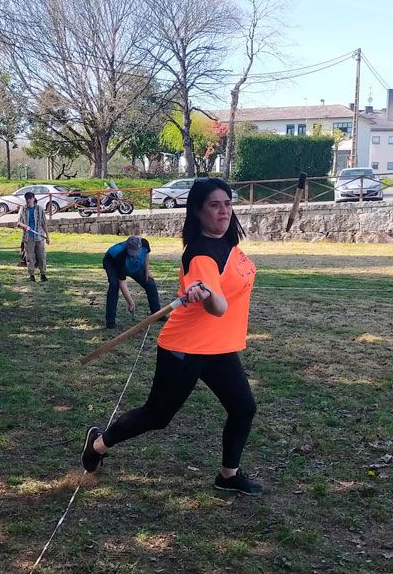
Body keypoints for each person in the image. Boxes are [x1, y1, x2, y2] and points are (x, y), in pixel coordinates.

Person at [80, 178, 263, 496]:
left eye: (227, 204)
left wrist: (209, 294)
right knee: (157, 416)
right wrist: (207, 294)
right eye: (214, 205)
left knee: (243, 408)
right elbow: (218, 307)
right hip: (185, 347)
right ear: (197, 211)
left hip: (217, 347)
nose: (223, 211)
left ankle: (228, 476)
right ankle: (97, 444)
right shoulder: (201, 254)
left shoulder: (227, 242)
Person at [102, 235, 160, 329]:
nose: (134, 256)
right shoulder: (120, 256)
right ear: (127, 247)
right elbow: (122, 283)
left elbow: (146, 254)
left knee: (150, 283)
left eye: (136, 253)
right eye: (132, 253)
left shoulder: (144, 243)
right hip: (111, 262)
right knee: (114, 286)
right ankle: (110, 321)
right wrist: (131, 303)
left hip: (131, 265)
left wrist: (147, 271)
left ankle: (157, 313)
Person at [17, 192, 50, 282]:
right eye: (26, 199)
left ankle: (43, 274)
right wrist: (25, 226)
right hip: (28, 237)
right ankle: (31, 275)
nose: (28, 200)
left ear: (33, 199)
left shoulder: (40, 209)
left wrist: (47, 236)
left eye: (30, 198)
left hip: (39, 236)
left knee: (41, 256)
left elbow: (44, 223)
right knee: (30, 257)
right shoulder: (23, 209)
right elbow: (18, 223)